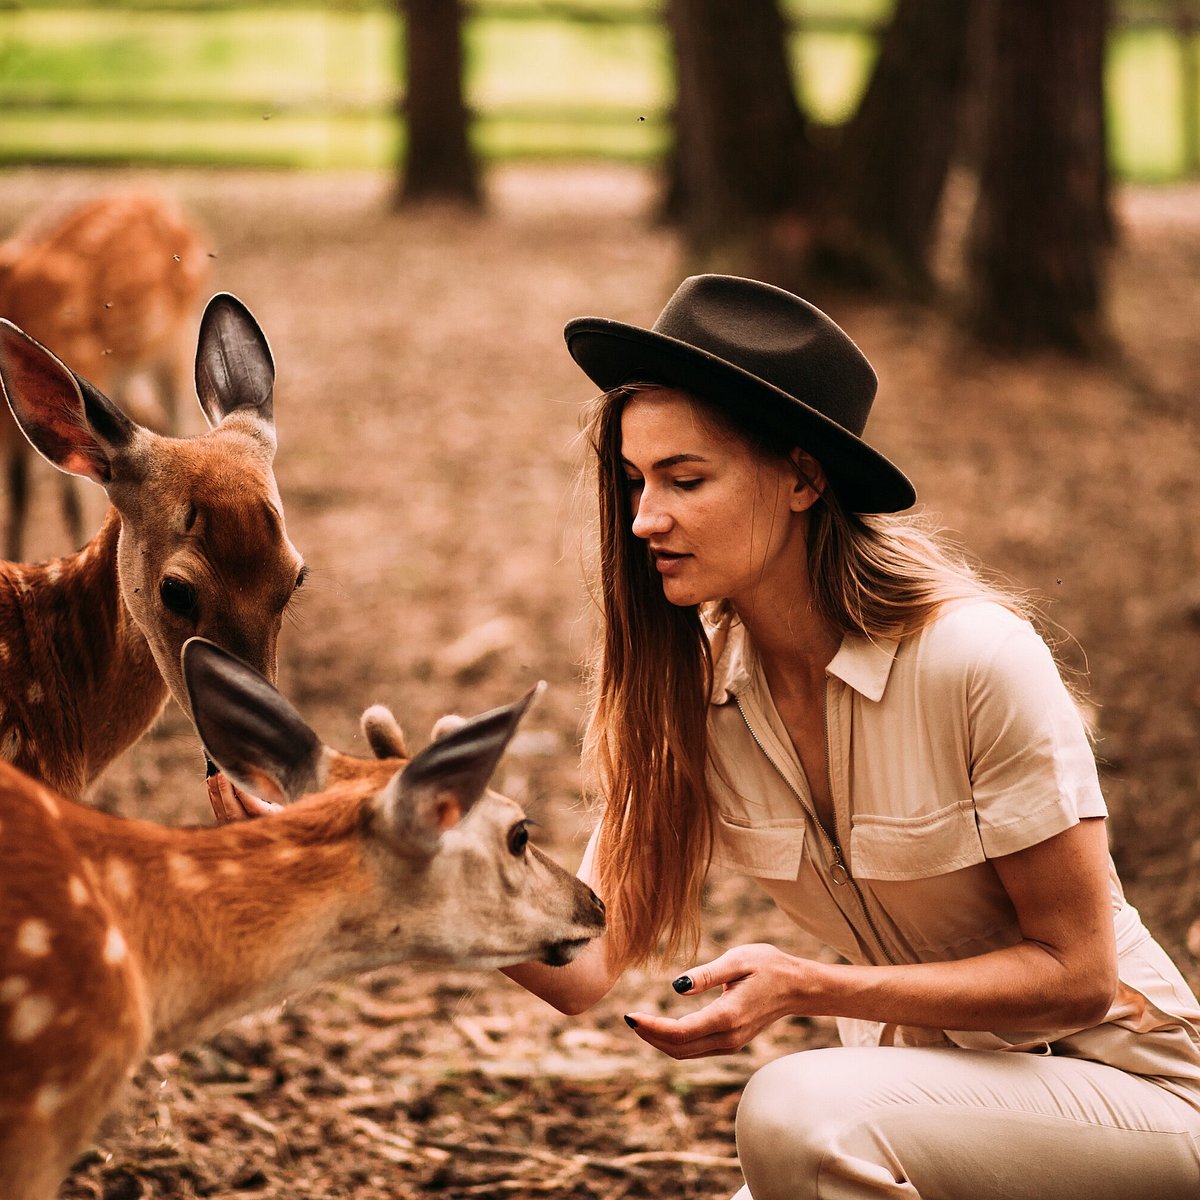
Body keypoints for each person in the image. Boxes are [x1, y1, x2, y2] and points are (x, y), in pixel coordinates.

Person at [505, 274, 1200, 1198]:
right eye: (636, 482)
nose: (644, 520)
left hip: (1131, 1102)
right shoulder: (697, 694)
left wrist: (810, 986)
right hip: (922, 1116)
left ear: (801, 477)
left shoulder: (973, 659)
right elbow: (582, 965)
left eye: (685, 479)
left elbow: (1076, 977)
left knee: (795, 1114)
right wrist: (383, 858)